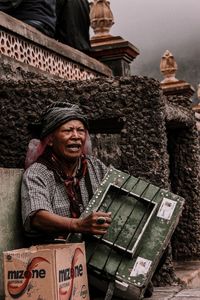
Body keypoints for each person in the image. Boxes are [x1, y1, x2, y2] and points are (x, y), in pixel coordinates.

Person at [21, 102, 111, 246]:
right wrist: (78, 225)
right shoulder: (37, 173)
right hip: (55, 257)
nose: (76, 136)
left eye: (80, 130)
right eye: (68, 131)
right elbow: (37, 217)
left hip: (95, 254)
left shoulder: (95, 166)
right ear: (50, 139)